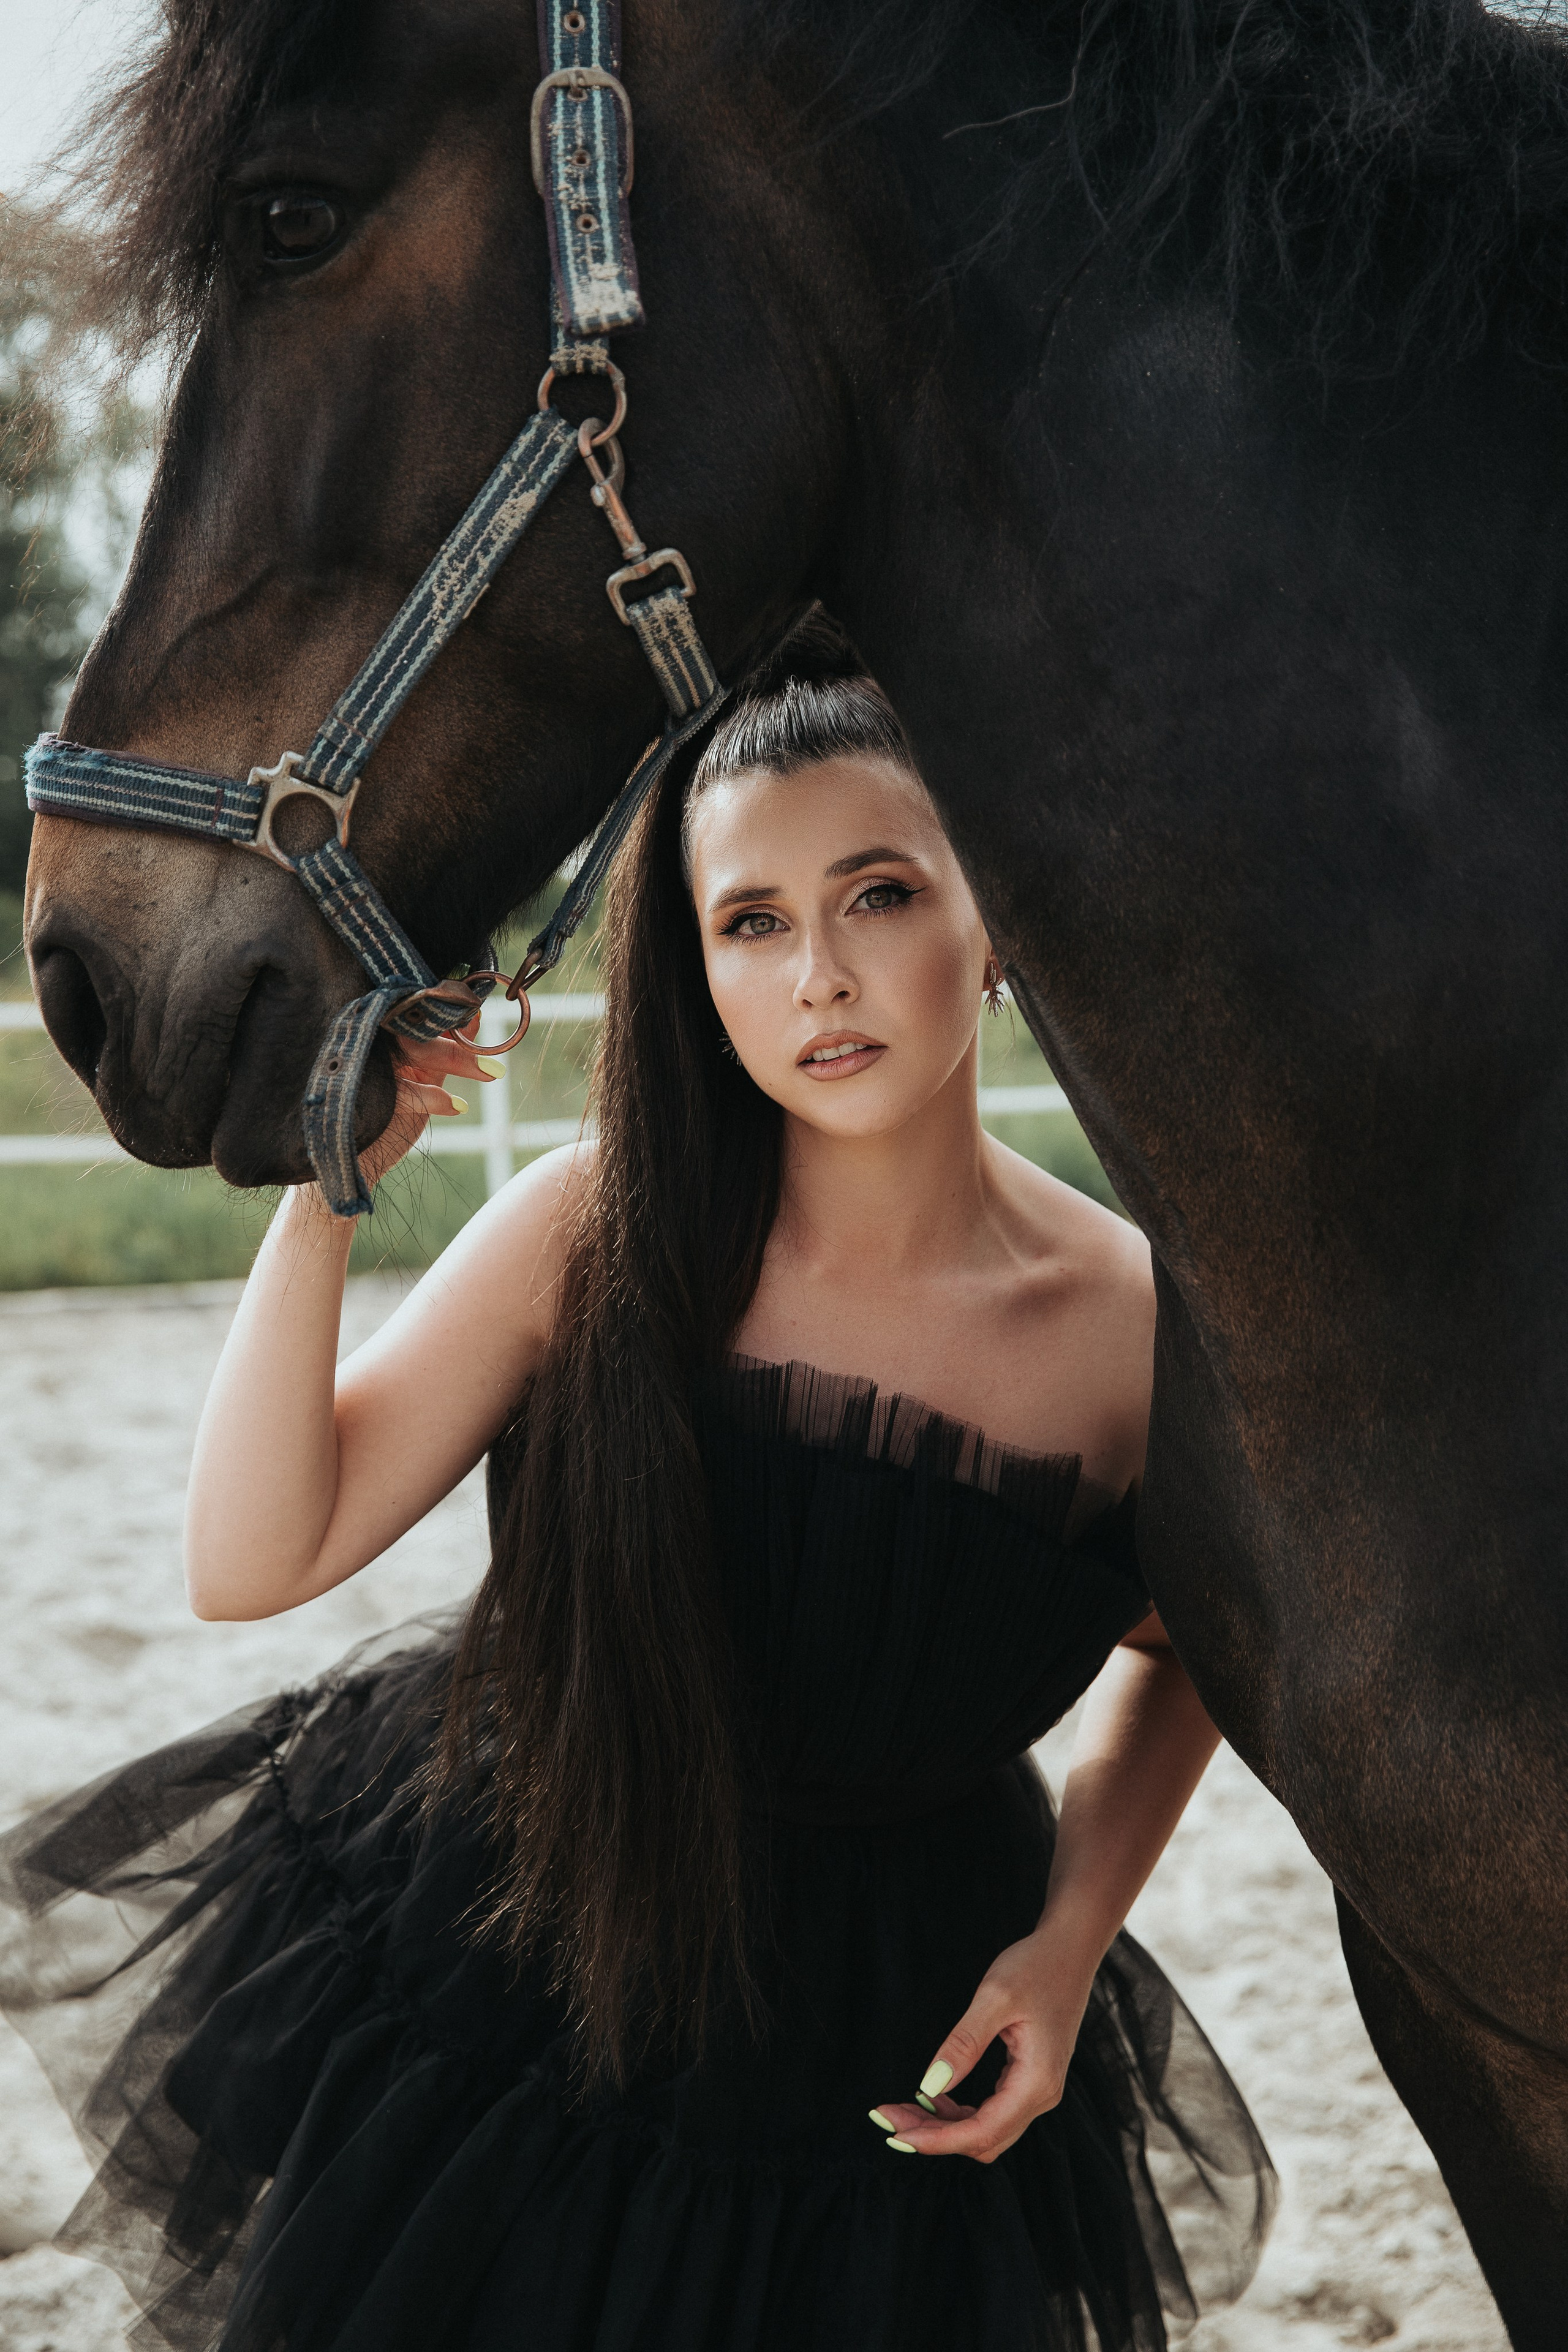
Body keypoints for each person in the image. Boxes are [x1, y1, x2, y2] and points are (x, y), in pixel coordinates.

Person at [0, 620, 1273, 2352]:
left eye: (880, 894)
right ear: (696, 961)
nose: (816, 972)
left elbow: (1189, 1642)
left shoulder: (1130, 1328)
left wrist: (1070, 1940)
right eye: (751, 921)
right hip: (534, 1957)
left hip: (895, 2036)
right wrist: (327, 1194)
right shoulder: (592, 1233)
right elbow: (250, 1554)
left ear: (994, 927)